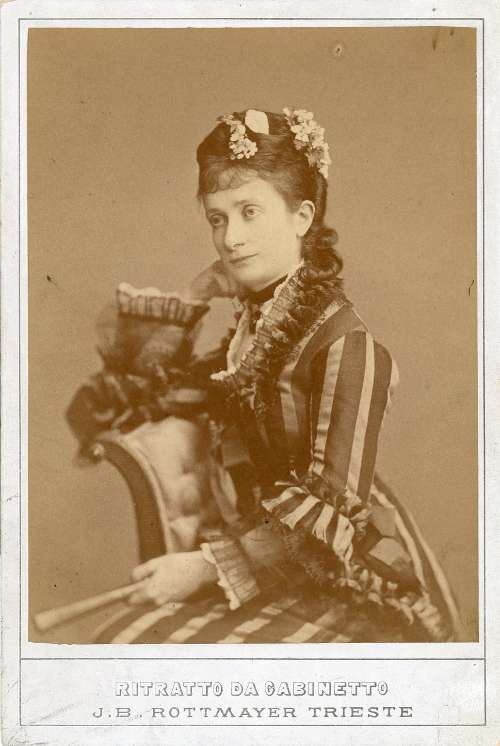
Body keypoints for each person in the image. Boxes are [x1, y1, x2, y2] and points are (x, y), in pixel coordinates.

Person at [72, 108, 464, 643]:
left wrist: (205, 567)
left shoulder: (346, 347)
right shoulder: (251, 332)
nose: (230, 238)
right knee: (124, 643)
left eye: (250, 212)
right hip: (260, 561)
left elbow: (328, 525)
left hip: (344, 576)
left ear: (302, 217)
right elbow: (145, 399)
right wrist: (191, 297)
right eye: (217, 218)